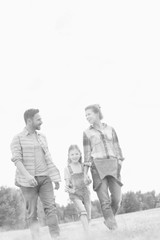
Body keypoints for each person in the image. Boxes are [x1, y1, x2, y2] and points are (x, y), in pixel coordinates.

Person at [10, 109, 61, 240]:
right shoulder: (17, 138)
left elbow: (48, 157)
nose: (41, 121)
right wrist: (28, 176)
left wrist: (54, 177)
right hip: (27, 182)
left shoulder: (42, 137)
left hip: (45, 178)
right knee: (32, 213)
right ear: (29, 121)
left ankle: (56, 237)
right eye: (38, 119)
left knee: (51, 208)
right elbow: (17, 159)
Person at [83, 104, 124, 230]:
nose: (87, 117)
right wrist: (85, 174)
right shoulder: (87, 133)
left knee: (117, 199)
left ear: (96, 113)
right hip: (97, 168)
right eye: (85, 116)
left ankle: (109, 221)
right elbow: (87, 154)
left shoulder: (110, 129)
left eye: (89, 114)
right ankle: (114, 229)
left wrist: (119, 162)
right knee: (104, 201)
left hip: (113, 165)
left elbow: (117, 148)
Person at [64, 145, 91, 236]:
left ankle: (85, 232)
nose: (74, 156)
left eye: (76, 153)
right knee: (82, 212)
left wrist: (88, 181)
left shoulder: (84, 166)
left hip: (85, 193)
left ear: (80, 154)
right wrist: (69, 188)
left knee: (88, 217)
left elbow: (88, 180)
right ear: (69, 156)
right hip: (75, 194)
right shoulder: (67, 168)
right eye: (72, 154)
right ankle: (88, 235)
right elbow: (67, 183)